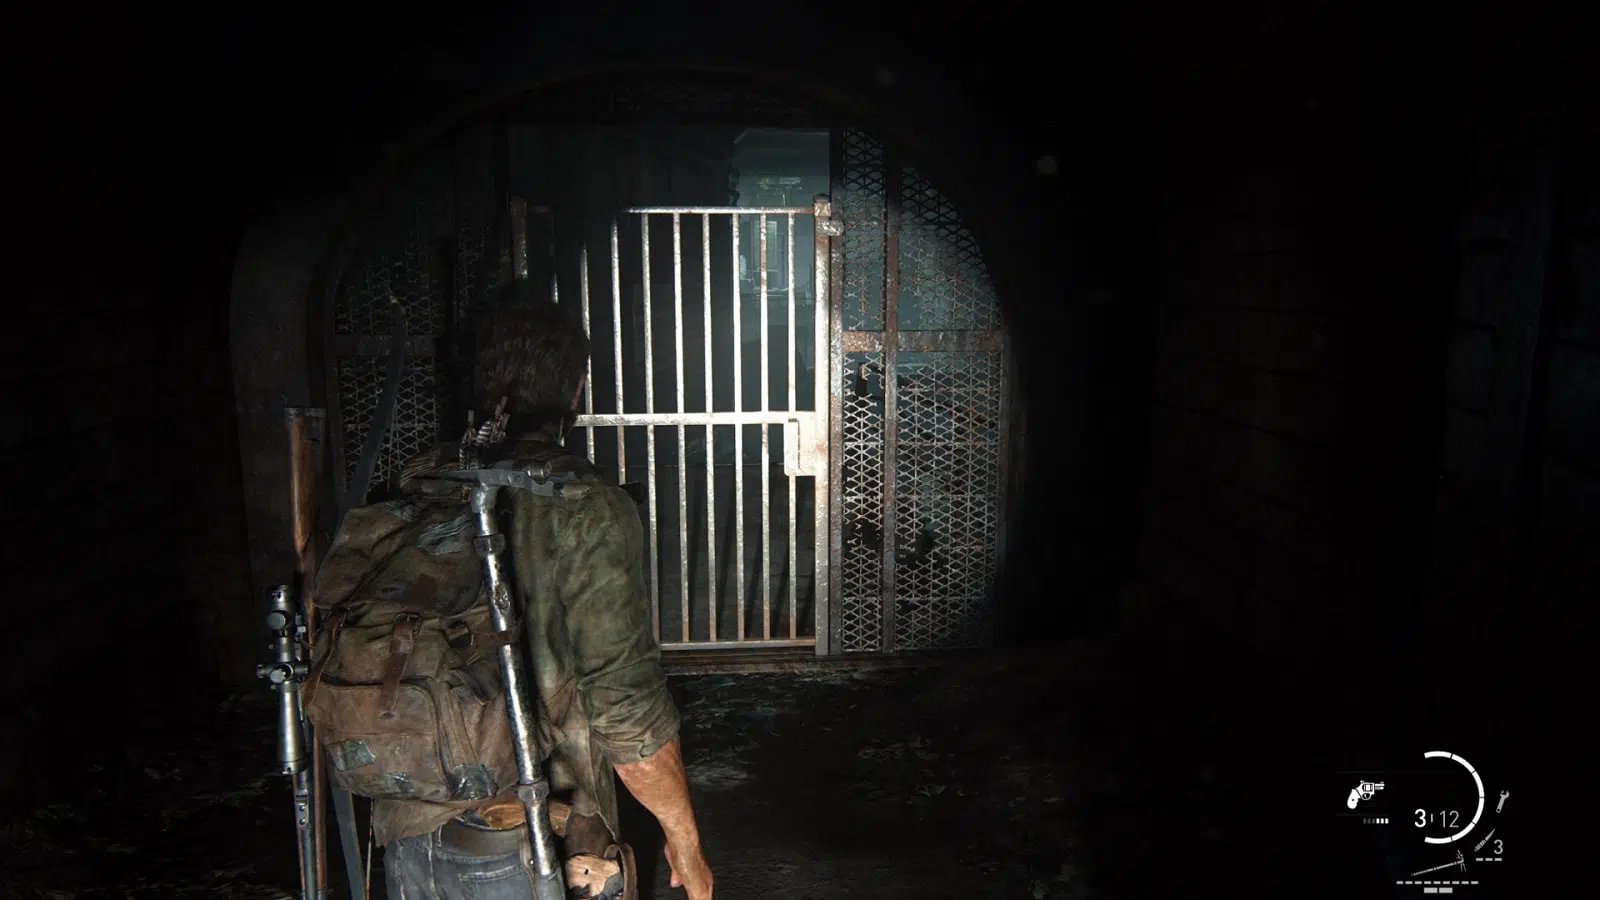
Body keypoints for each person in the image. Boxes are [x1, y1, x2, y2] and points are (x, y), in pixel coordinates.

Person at [379, 299, 714, 900]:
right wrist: (685, 841)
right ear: (576, 387)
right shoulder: (583, 505)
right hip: (542, 844)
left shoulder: (417, 483)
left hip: (410, 834)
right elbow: (626, 712)